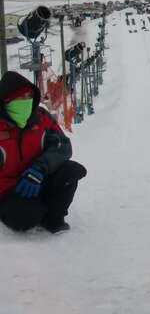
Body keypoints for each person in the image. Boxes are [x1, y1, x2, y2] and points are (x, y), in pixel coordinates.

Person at [0, 71, 86, 234]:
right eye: (20, 98)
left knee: (71, 171)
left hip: (37, 177)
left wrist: (39, 169)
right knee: (25, 218)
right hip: (9, 188)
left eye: (29, 97)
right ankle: (29, 210)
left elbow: (62, 146)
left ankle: (53, 217)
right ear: (6, 100)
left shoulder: (40, 117)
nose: (26, 102)